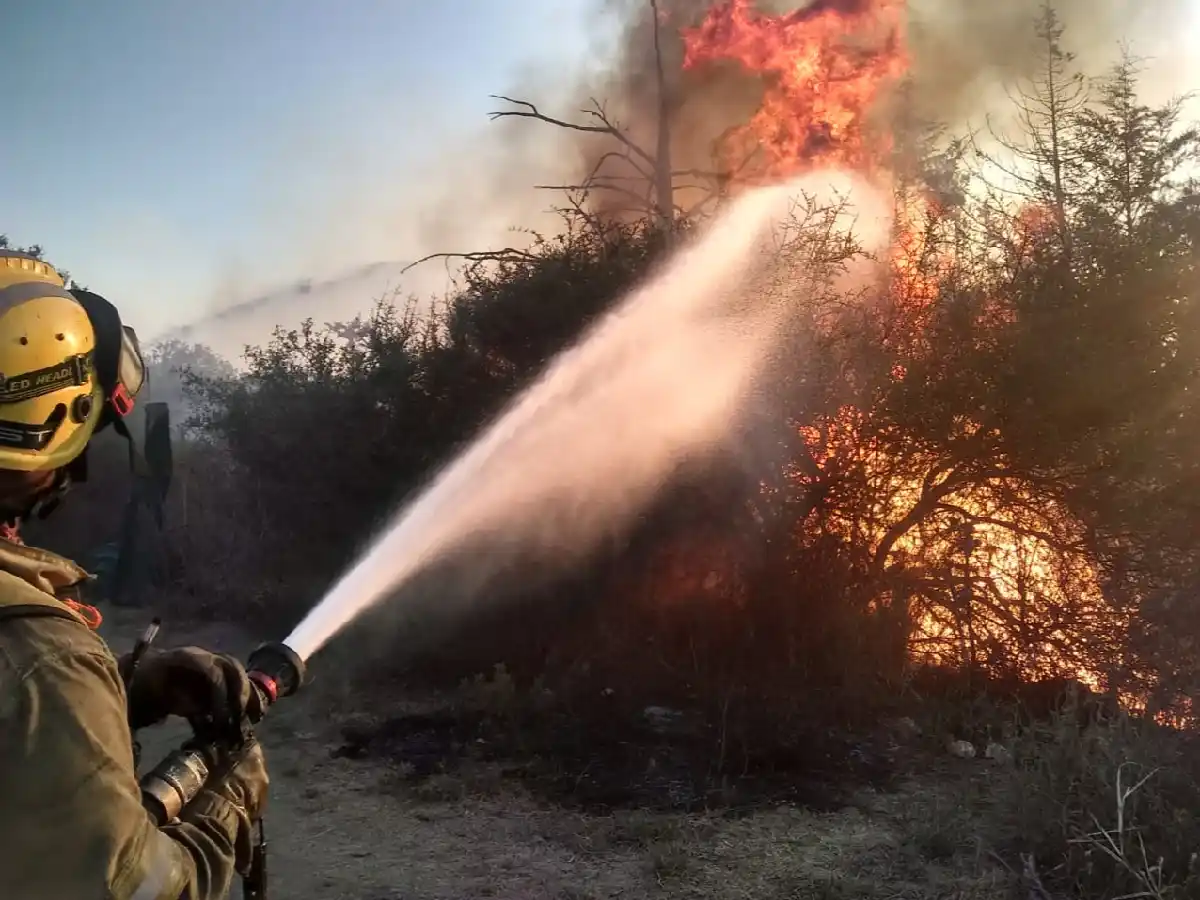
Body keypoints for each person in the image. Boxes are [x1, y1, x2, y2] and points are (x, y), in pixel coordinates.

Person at [0, 250, 270, 899]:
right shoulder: (42, 661)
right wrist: (222, 806)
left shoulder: (42, 669)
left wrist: (123, 691)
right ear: (53, 422)